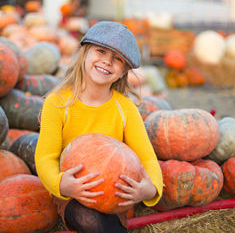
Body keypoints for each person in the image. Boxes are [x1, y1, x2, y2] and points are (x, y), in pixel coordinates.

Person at [35, 21, 163, 233]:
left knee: (104, 217)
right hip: (74, 192)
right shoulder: (58, 103)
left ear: (123, 71)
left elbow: (147, 157)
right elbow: (45, 157)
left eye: (117, 59)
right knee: (88, 217)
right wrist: (61, 185)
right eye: (101, 51)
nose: (107, 61)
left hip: (114, 195)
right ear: (85, 53)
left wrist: (150, 189)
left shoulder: (125, 109)